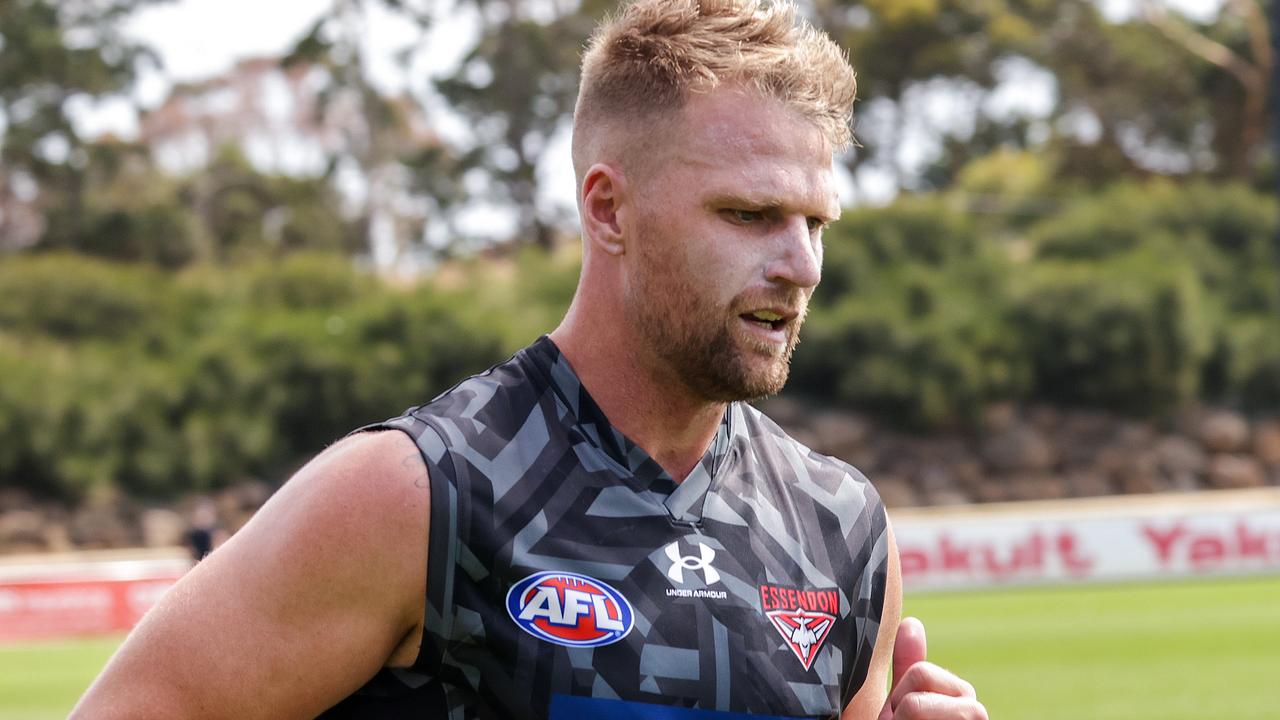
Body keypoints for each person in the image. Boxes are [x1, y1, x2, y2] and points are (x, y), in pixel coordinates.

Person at [73, 0, 988, 718]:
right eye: (747, 215)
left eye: (815, 222)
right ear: (608, 210)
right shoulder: (416, 494)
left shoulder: (839, 525)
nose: (799, 264)